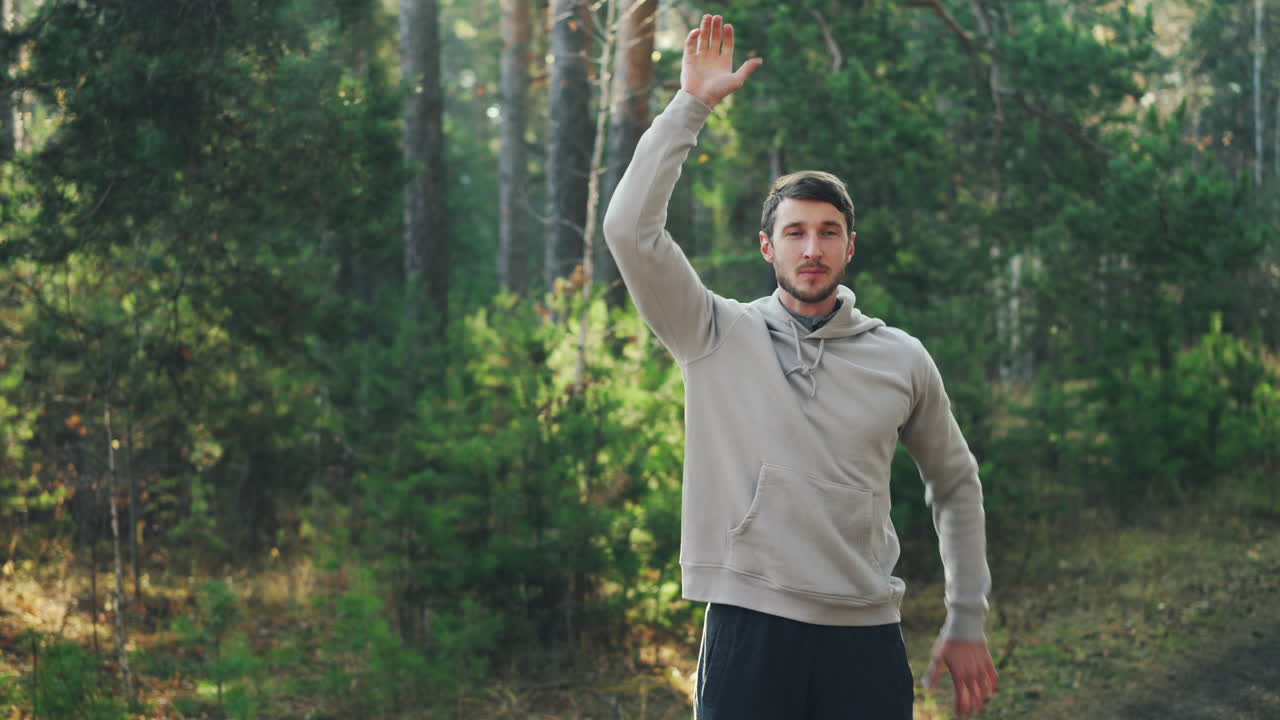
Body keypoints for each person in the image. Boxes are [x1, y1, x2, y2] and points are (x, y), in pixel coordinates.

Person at [602, 13, 998, 720]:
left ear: (850, 247)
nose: (811, 249)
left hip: (865, 636)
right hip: (748, 628)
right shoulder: (712, 333)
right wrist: (690, 107)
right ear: (768, 247)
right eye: (795, 232)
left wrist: (966, 616)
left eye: (827, 232)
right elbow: (629, 230)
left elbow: (955, 483)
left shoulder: (901, 358)